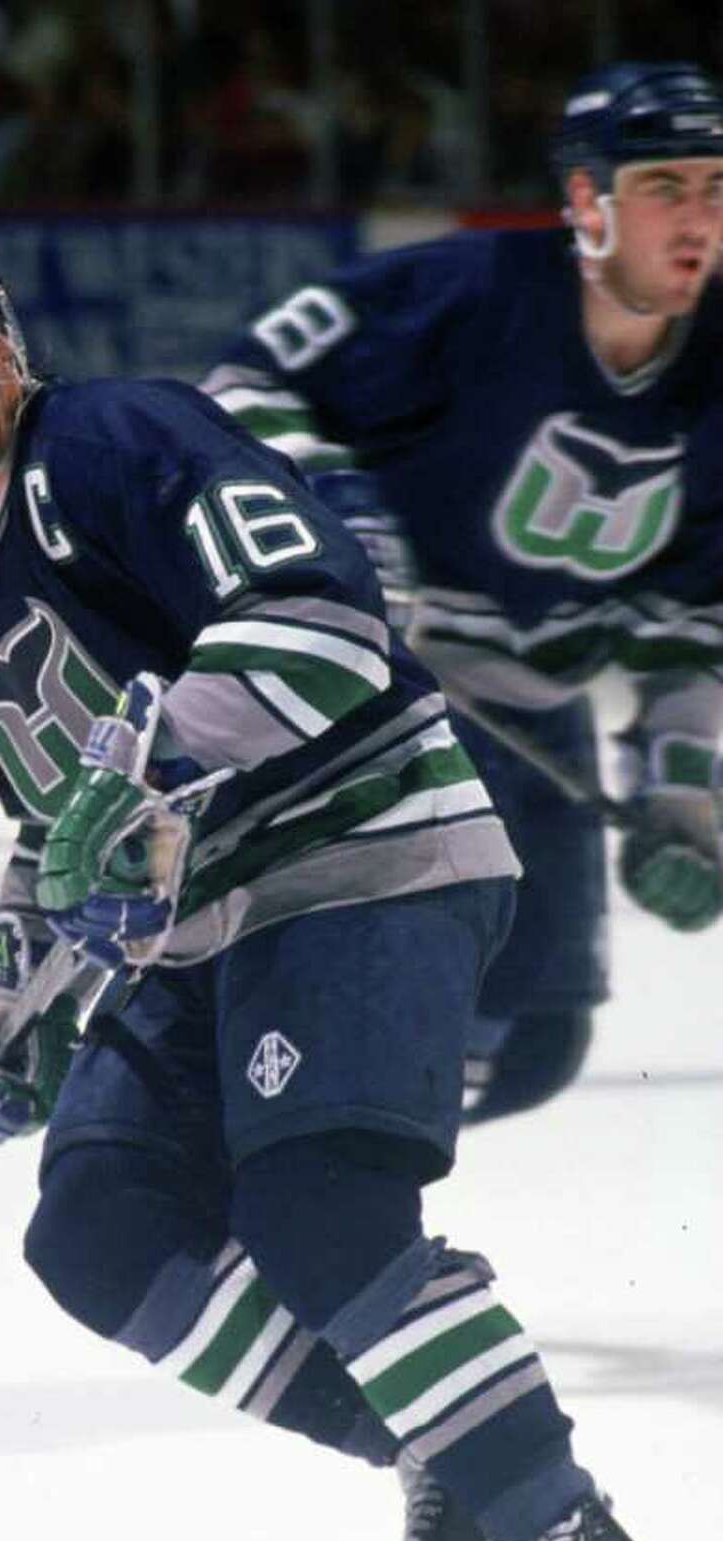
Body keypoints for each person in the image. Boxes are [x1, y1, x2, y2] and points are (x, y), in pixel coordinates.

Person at [0, 204, 697, 1541]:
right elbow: (51, 828)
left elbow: (327, 623)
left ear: (1, 332)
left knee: (319, 1202)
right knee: (99, 1228)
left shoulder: (121, 440)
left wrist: (136, 787)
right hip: (204, 918)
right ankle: (445, 1452)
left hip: (363, 853)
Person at [202, 59, 723, 1129]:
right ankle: (289, 1204)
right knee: (369, 1025)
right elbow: (240, 389)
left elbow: (694, 619)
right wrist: (333, 513)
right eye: (665, 186)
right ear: (588, 201)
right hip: (378, 720)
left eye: (717, 187)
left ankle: (324, 1190)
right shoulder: (464, 298)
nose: (699, 219)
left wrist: (680, 796)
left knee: (535, 1041)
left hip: (537, 719)